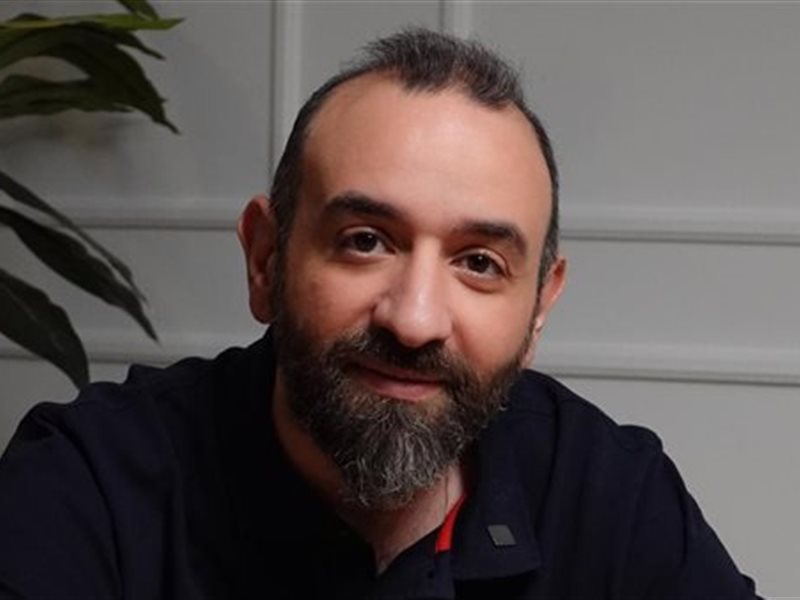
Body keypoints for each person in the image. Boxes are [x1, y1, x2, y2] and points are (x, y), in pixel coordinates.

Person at [0, 28, 761, 599]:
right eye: (365, 241)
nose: (415, 320)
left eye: (479, 262)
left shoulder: (609, 491)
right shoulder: (87, 482)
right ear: (266, 259)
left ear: (539, 309)